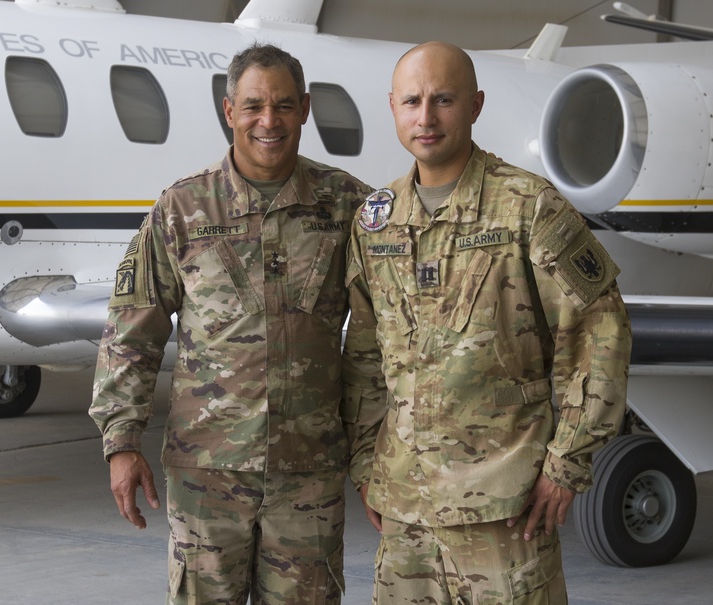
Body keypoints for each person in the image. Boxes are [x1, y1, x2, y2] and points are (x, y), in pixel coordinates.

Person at [343, 41, 632, 604]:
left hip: (505, 509)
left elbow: (599, 331)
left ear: (475, 105)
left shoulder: (527, 207)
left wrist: (567, 462)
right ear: (393, 109)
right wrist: (365, 466)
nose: (425, 117)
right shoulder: (377, 222)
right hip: (406, 511)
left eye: (443, 99)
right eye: (412, 102)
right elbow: (364, 355)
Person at [89, 43, 378, 604]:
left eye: (283, 106)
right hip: (206, 475)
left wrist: (375, 457)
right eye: (252, 106)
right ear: (229, 112)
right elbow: (131, 331)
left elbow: (380, 343)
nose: (268, 121)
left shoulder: (347, 207)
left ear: (305, 110)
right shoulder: (181, 209)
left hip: (308, 474)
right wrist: (120, 441)